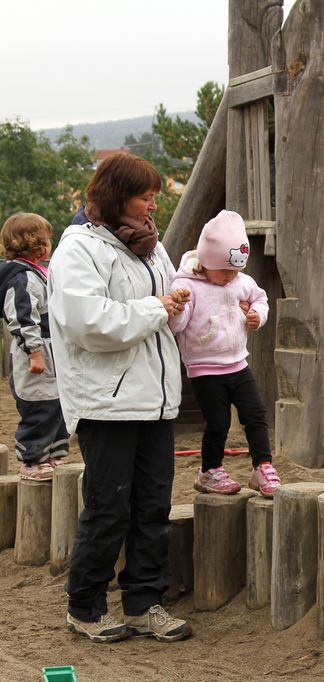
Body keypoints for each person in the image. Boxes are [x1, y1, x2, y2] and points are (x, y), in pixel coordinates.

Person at [48, 152, 191, 643]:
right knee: (109, 508)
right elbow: (91, 324)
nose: (154, 202)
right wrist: (156, 307)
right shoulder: (77, 250)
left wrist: (183, 303)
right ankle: (85, 606)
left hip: (154, 398)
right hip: (106, 403)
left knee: (153, 505)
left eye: (153, 194)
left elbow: (166, 300)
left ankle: (143, 602)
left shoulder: (151, 246)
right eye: (144, 194)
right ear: (115, 197)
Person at [167, 210, 281, 497]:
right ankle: (209, 470)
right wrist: (178, 307)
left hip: (238, 364)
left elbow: (260, 298)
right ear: (206, 261)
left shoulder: (240, 281)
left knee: (255, 415)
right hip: (205, 369)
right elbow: (177, 326)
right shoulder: (186, 286)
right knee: (218, 422)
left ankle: (262, 466)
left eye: (236, 270)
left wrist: (257, 315)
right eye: (225, 270)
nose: (231, 277)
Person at [0, 213, 69, 480]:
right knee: (39, 408)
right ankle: (32, 460)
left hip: (51, 352)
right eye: (48, 239)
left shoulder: (39, 273)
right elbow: (22, 318)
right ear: (37, 244)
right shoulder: (22, 279)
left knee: (55, 406)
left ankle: (52, 456)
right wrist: (34, 353)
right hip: (36, 356)